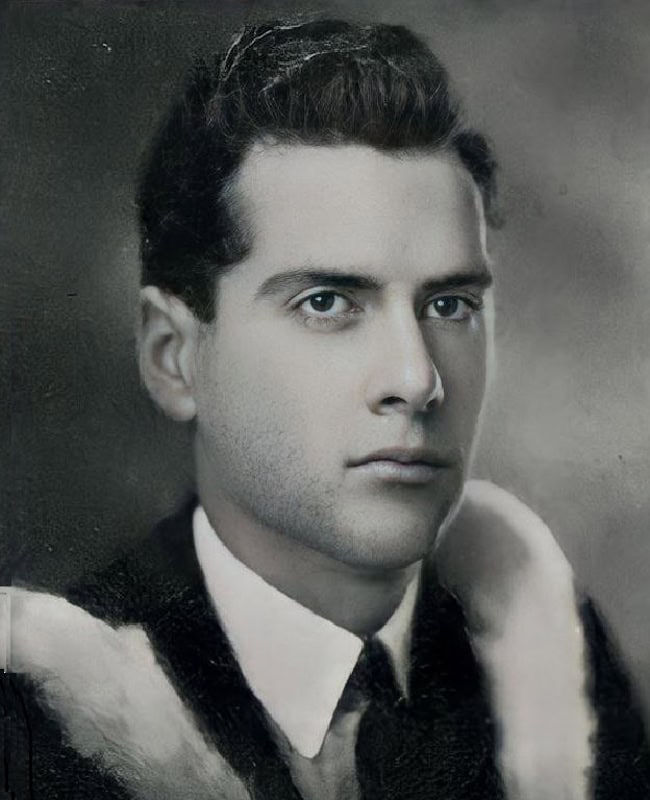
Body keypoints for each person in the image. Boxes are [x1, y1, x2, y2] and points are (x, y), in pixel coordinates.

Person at [3, 17, 650, 800]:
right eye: (326, 302)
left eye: (449, 305)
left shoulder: (553, 674)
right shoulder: (39, 726)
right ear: (174, 357)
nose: (416, 379)